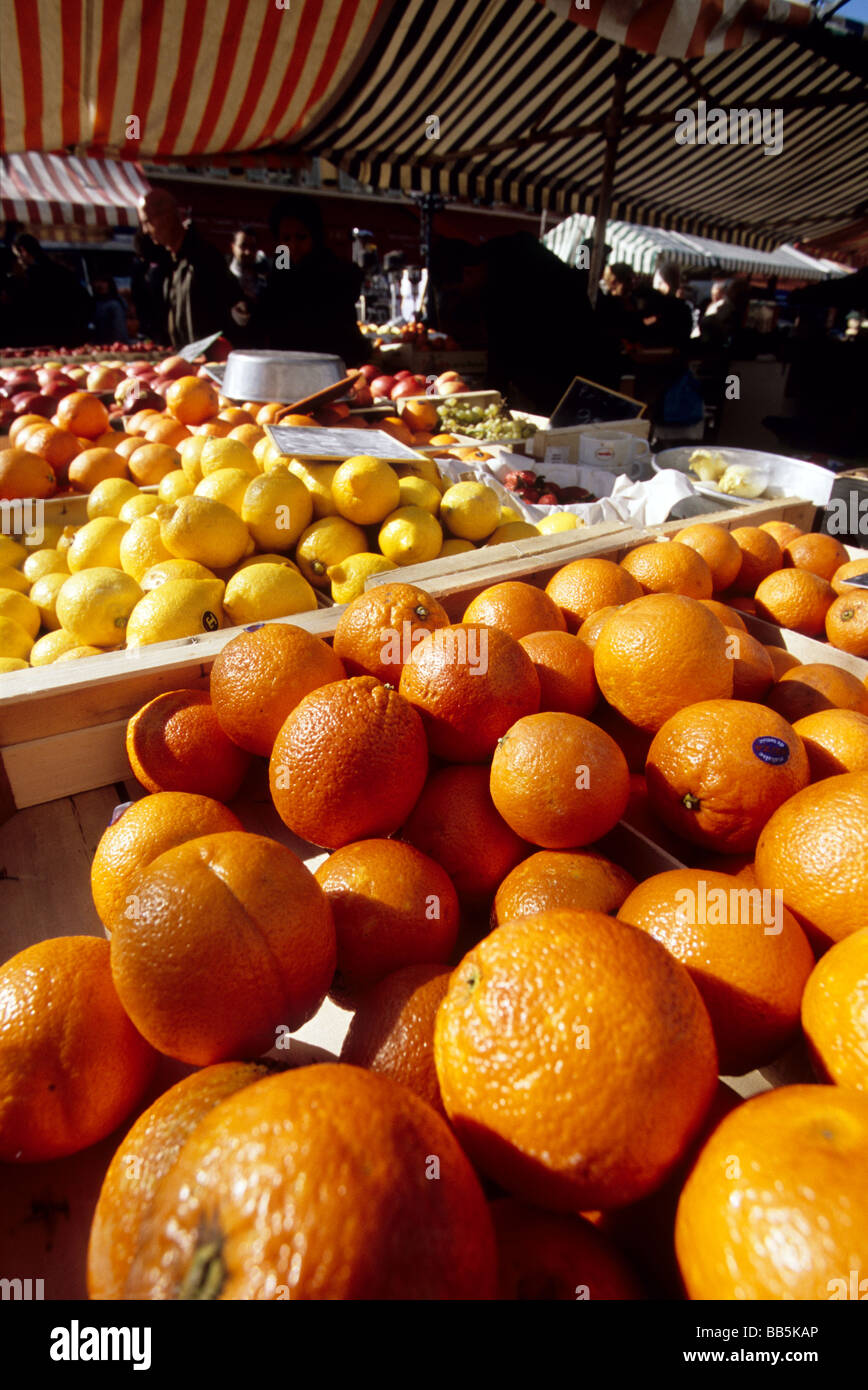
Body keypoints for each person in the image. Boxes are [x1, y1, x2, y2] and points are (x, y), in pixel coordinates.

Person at [429, 233, 598, 415]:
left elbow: (501, 348)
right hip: (566, 361)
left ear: (468, 272)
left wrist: (490, 401)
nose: (461, 297)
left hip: (569, 363)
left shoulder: (509, 280)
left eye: (457, 291)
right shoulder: (502, 258)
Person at [249, 195, 367, 366]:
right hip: (289, 368)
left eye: (301, 237)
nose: (293, 246)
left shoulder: (334, 271)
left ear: (315, 236)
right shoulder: (280, 268)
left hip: (332, 366)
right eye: (286, 239)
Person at [137, 188, 245, 349]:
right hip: (184, 362)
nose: (145, 230)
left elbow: (233, 310)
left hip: (207, 363)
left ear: (167, 217)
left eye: (147, 222)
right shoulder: (169, 262)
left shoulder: (204, 257)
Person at [12, 233, 92, 347]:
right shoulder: (61, 271)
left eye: (17, 255)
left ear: (23, 251)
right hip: (70, 335)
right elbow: (85, 301)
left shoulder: (32, 276)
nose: (18, 260)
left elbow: (30, 308)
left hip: (46, 336)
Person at [228, 226, 268, 307]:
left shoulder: (265, 280)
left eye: (252, 247)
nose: (248, 252)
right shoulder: (223, 278)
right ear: (233, 247)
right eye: (243, 246)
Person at [90, 273, 129, 344]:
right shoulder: (94, 303)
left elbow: (119, 330)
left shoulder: (115, 304)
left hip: (114, 344)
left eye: (104, 282)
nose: (100, 285)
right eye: (97, 281)